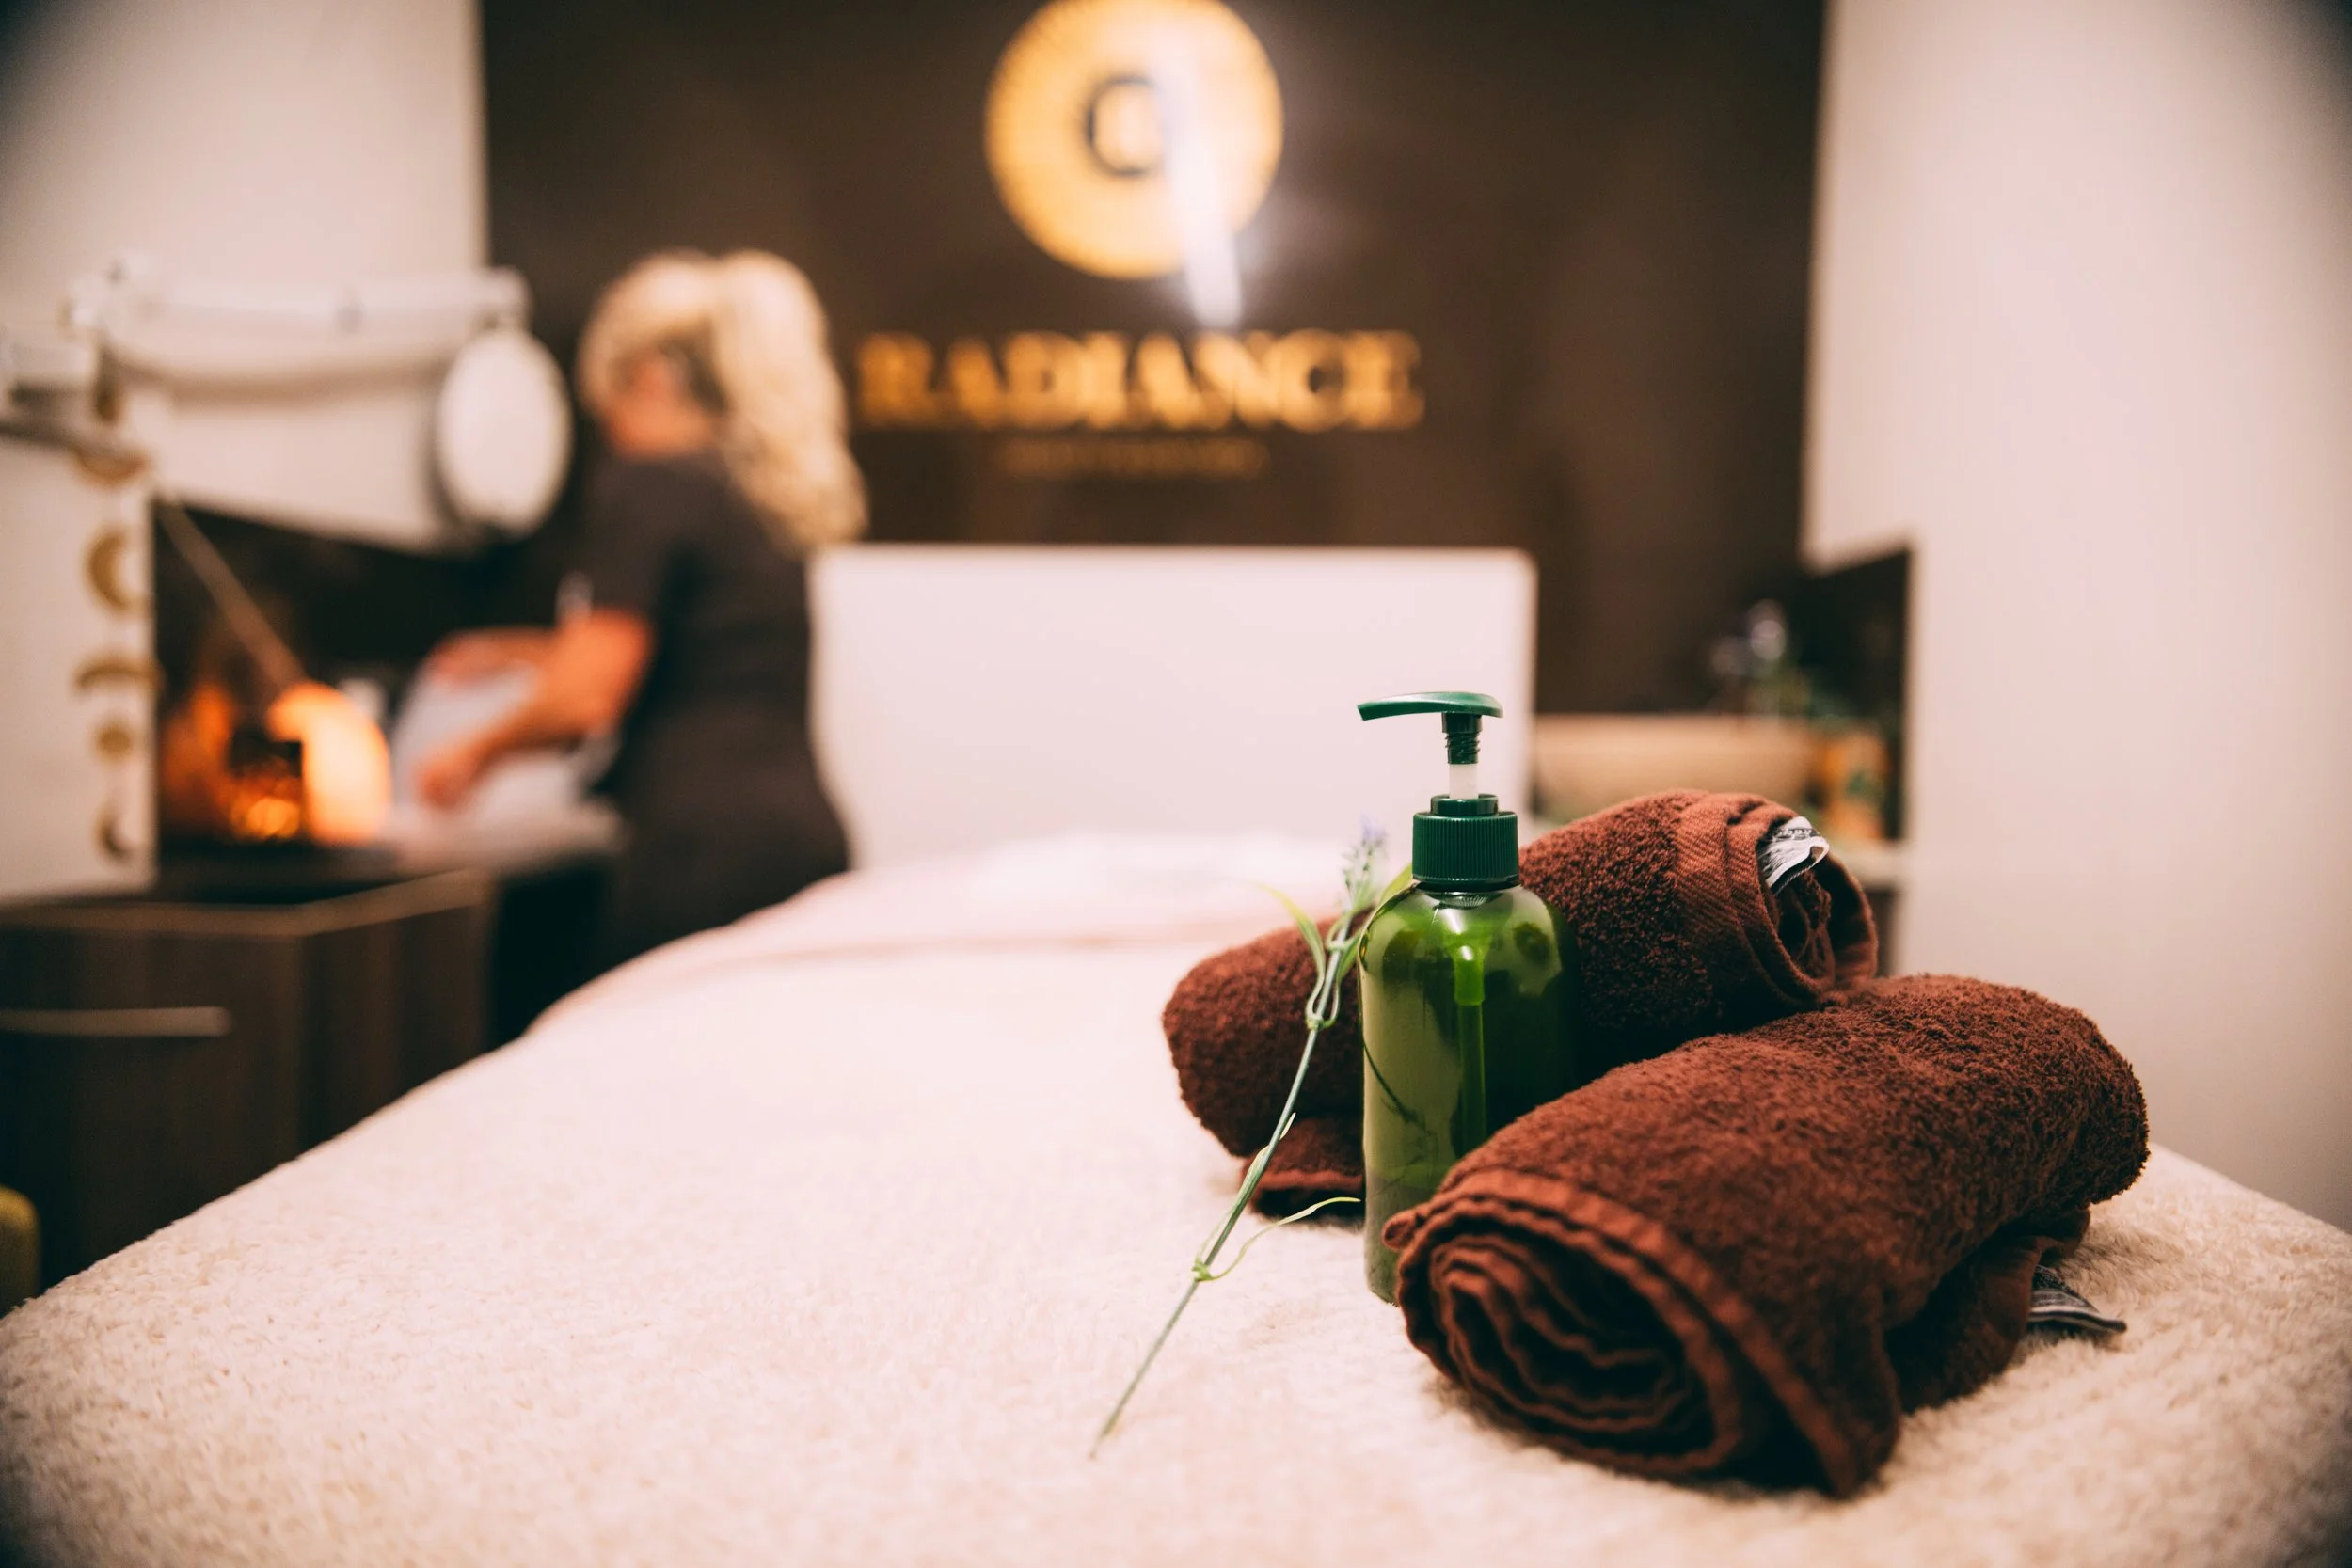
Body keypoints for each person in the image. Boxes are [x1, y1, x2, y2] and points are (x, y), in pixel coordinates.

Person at [418, 250, 865, 960]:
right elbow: (695, 655)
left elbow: (588, 696)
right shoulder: (752, 493)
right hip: (797, 837)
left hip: (701, 850)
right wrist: (517, 655)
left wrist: (470, 754)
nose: (610, 436)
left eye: (609, 407)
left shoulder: (652, 487)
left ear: (649, 378)